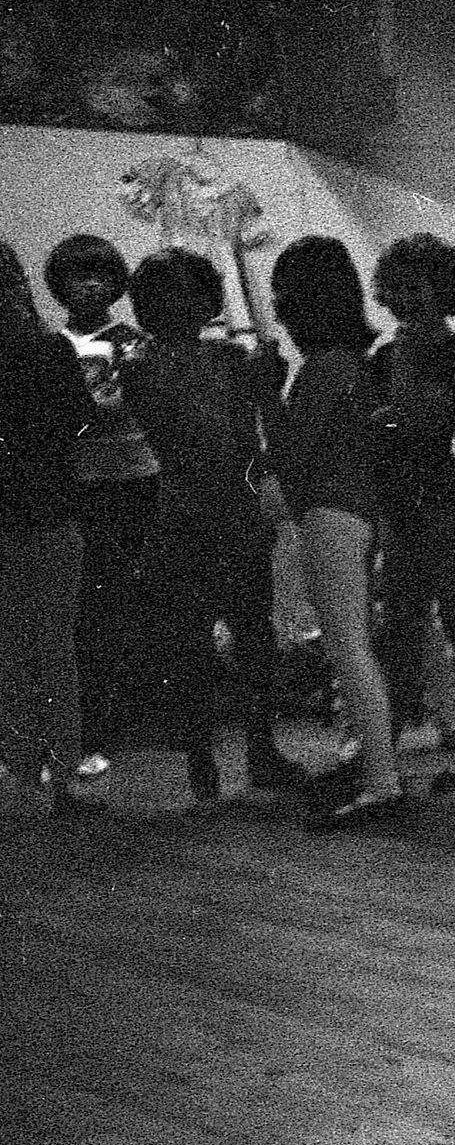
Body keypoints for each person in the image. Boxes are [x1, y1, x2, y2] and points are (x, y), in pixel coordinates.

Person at [120, 247, 307, 805]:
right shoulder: (144, 368)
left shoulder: (224, 359)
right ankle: (205, 757)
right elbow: (187, 433)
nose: (167, 306)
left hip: (228, 508)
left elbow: (255, 435)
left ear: (206, 302)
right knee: (192, 643)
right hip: (187, 512)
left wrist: (264, 387)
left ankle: (257, 751)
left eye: (179, 295)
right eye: (155, 297)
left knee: (251, 636)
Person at [263, 237, 404, 826]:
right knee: (355, 644)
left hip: (330, 512)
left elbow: (292, 455)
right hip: (356, 510)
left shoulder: (323, 370)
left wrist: (266, 394)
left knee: (348, 647)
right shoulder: (355, 364)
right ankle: (376, 767)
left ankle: (380, 779)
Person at [369, 235, 455, 794]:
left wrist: (381, 415)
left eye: (418, 284)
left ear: (443, 288)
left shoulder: (453, 351)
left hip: (441, 498)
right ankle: (387, 746)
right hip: (400, 498)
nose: (407, 296)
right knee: (402, 626)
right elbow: (386, 424)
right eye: (398, 285)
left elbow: (420, 423)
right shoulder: (385, 355)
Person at [44, 234, 159, 782]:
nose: (90, 285)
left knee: (128, 598)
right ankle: (94, 726)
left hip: (135, 478)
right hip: (80, 482)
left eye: (101, 275)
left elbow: (131, 404)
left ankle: (128, 719)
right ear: (59, 284)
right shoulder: (54, 345)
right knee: (88, 605)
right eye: (79, 275)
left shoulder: (134, 341)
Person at [0, 241, 100, 816]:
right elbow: (80, 422)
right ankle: (63, 772)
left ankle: (21, 768)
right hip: (51, 508)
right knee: (55, 643)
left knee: (11, 646)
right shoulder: (49, 349)